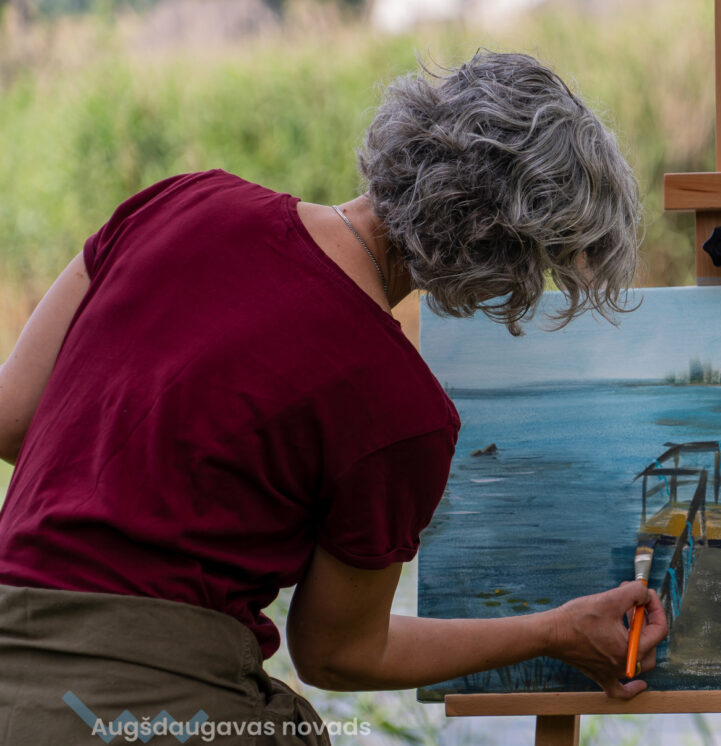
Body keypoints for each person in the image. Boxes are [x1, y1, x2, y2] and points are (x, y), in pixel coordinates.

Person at [0, 51, 667, 744]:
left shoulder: (181, 200)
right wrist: (555, 632)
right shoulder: (401, 408)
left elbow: (13, 419)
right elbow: (336, 652)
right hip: (144, 712)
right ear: (509, 259)